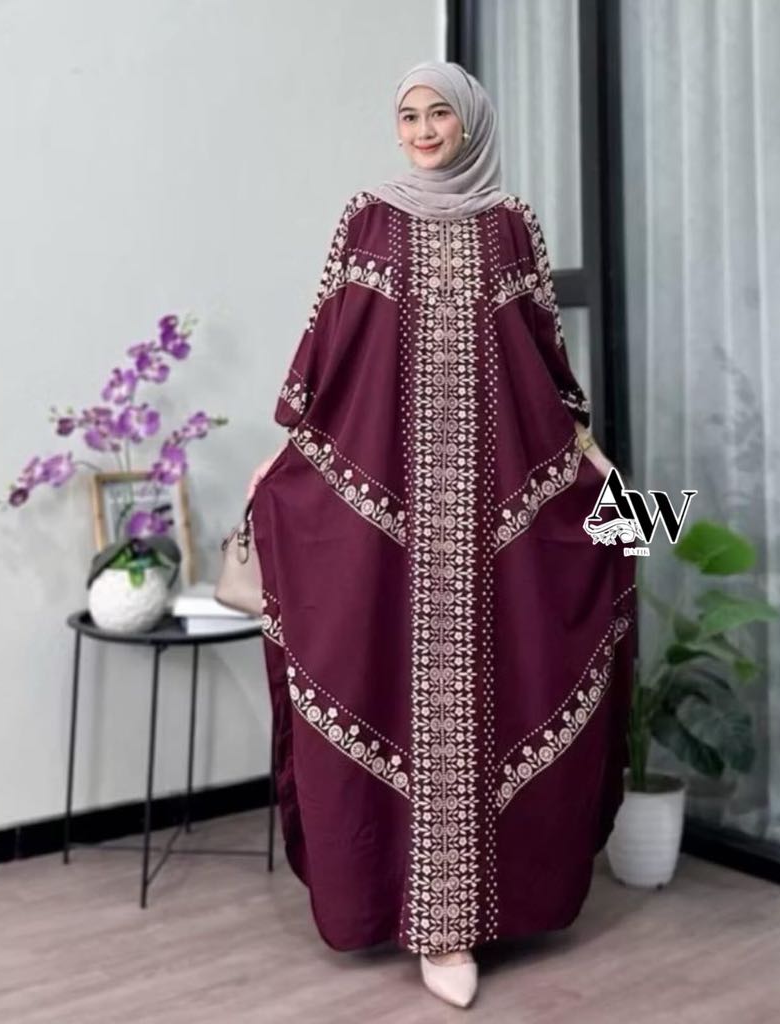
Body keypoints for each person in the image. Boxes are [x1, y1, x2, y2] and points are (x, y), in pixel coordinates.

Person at [245, 60, 637, 1010]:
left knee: (537, 642)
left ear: (471, 123)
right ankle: (417, 918)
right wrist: (284, 453)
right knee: (383, 679)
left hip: (496, 500)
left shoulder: (512, 225)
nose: (422, 130)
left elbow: (542, 356)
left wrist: (591, 456)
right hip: (393, 507)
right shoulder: (368, 219)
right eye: (408, 115)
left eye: (439, 115)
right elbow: (332, 347)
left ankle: (466, 922)